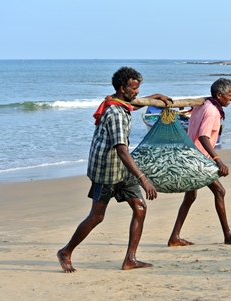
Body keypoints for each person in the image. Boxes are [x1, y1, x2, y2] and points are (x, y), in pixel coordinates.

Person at [57, 67, 172, 272]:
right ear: (122, 88)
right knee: (97, 216)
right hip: (107, 170)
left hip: (123, 169)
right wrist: (143, 179)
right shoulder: (115, 113)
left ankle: (130, 259)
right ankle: (65, 252)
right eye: (134, 88)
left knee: (140, 208)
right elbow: (121, 150)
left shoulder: (118, 100)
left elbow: (134, 104)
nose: (136, 92)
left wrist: (155, 97)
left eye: (138, 89)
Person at [168, 78, 231, 246]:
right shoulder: (212, 111)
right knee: (219, 191)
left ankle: (174, 237)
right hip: (199, 158)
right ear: (219, 95)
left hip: (191, 155)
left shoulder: (202, 104)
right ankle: (228, 235)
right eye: (229, 95)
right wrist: (218, 160)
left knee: (190, 196)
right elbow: (204, 137)